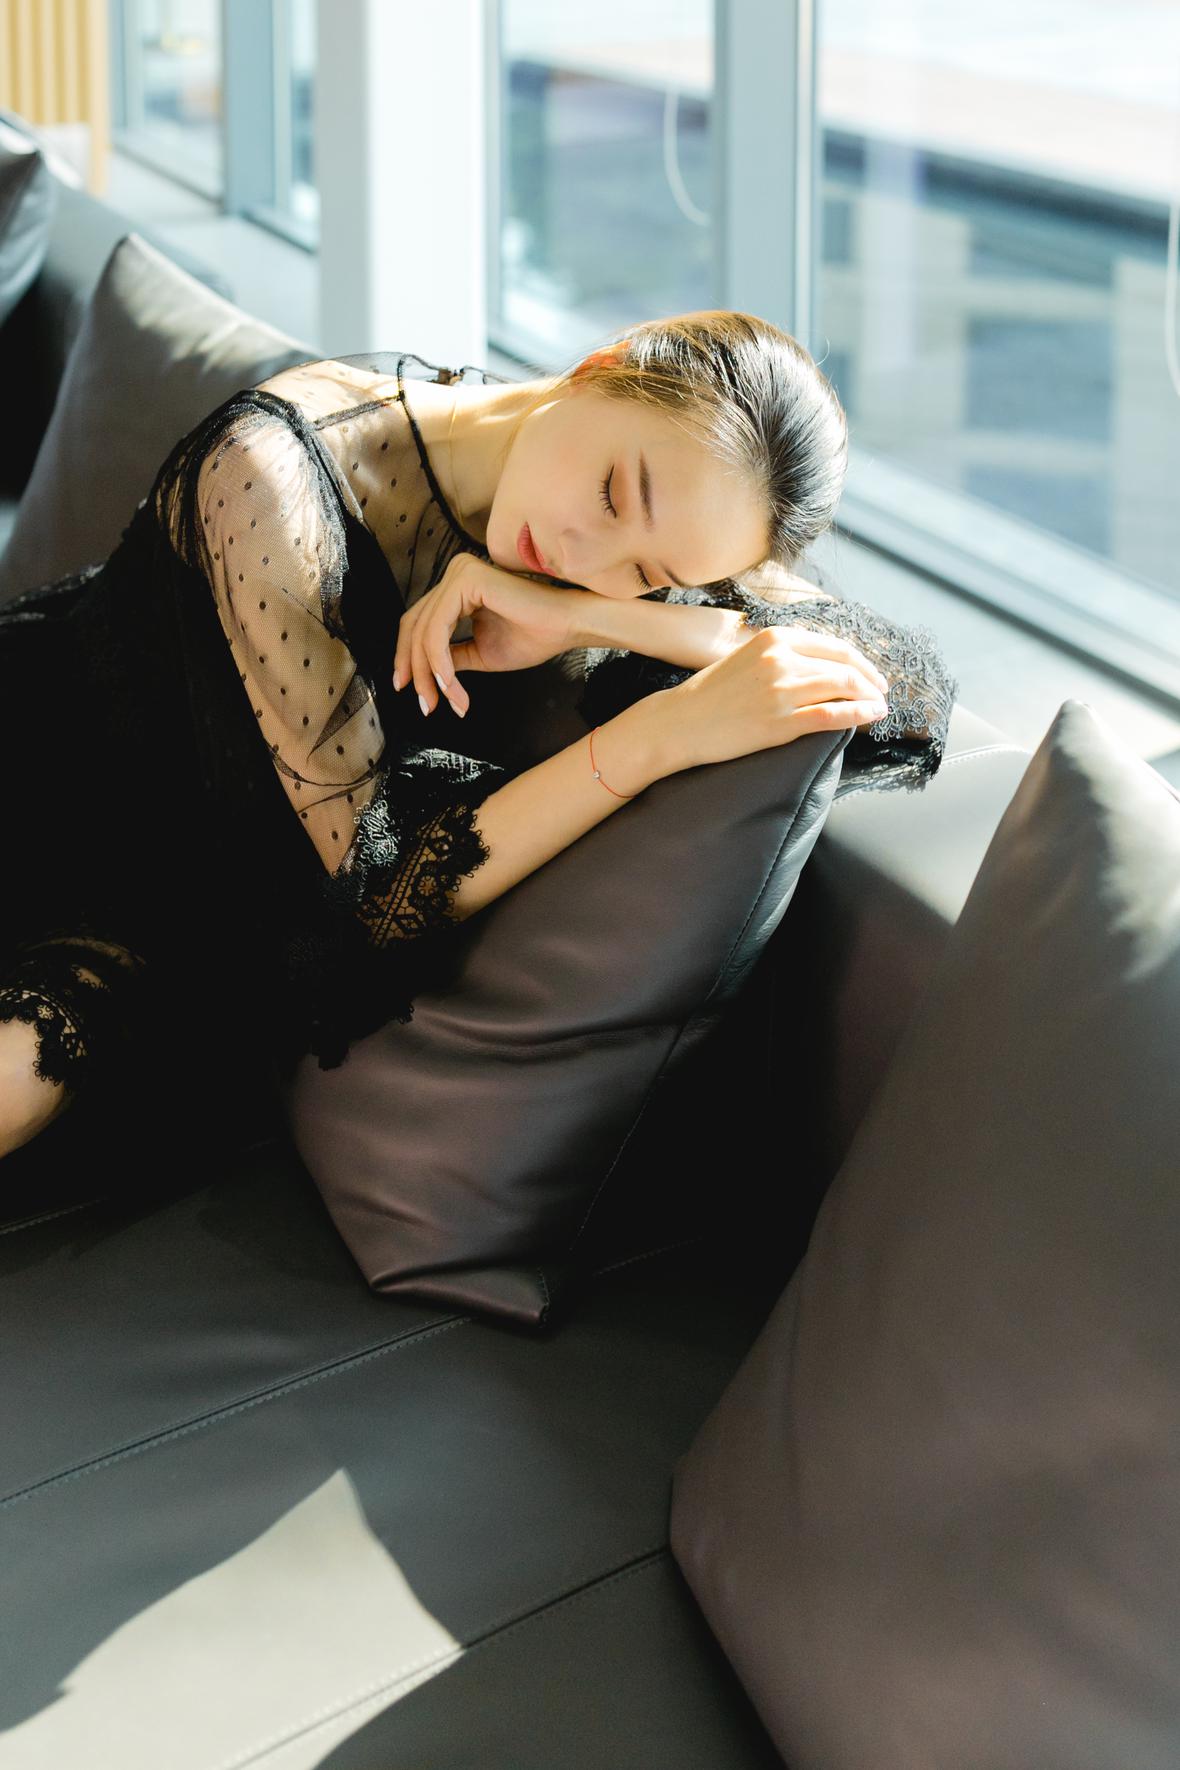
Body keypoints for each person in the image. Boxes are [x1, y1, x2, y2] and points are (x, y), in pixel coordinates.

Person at [0, 307, 958, 1180]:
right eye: (613, 495)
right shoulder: (271, 476)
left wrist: (592, 619)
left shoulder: (621, 534)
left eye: (648, 571)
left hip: (152, 913)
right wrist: (658, 735)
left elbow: (907, 700)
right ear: (602, 365)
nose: (586, 558)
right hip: (41, 771)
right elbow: (379, 890)